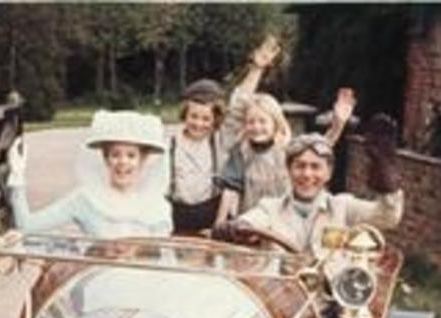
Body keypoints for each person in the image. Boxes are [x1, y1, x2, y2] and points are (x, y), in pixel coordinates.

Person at [213, 36, 357, 226]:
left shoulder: (287, 148)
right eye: (251, 122)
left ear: (276, 123)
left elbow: (321, 146)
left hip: (284, 225)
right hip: (248, 224)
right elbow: (231, 190)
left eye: (263, 121)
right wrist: (220, 222)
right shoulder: (241, 151)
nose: (256, 127)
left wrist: (338, 123)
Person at [214, 114, 404, 255]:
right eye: (300, 166)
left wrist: (387, 179)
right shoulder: (270, 208)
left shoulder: (342, 207)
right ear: (288, 170)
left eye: (316, 167)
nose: (307, 174)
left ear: (328, 172)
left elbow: (388, 217)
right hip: (279, 296)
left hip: (327, 299)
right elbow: (252, 221)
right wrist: (236, 227)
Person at [6, 110, 171, 239]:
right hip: (100, 279)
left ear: (142, 160)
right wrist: (17, 177)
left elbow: (164, 257)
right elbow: (27, 226)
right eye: (115, 154)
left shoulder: (155, 205)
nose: (122, 162)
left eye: (131, 155)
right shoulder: (86, 199)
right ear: (106, 159)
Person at [167, 79, 230, 236]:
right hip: (177, 214)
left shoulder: (219, 140)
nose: (198, 123)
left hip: (209, 214)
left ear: (215, 120)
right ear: (185, 114)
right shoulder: (170, 141)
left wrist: (256, 70)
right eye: (193, 116)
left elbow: (240, 104)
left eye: (206, 119)